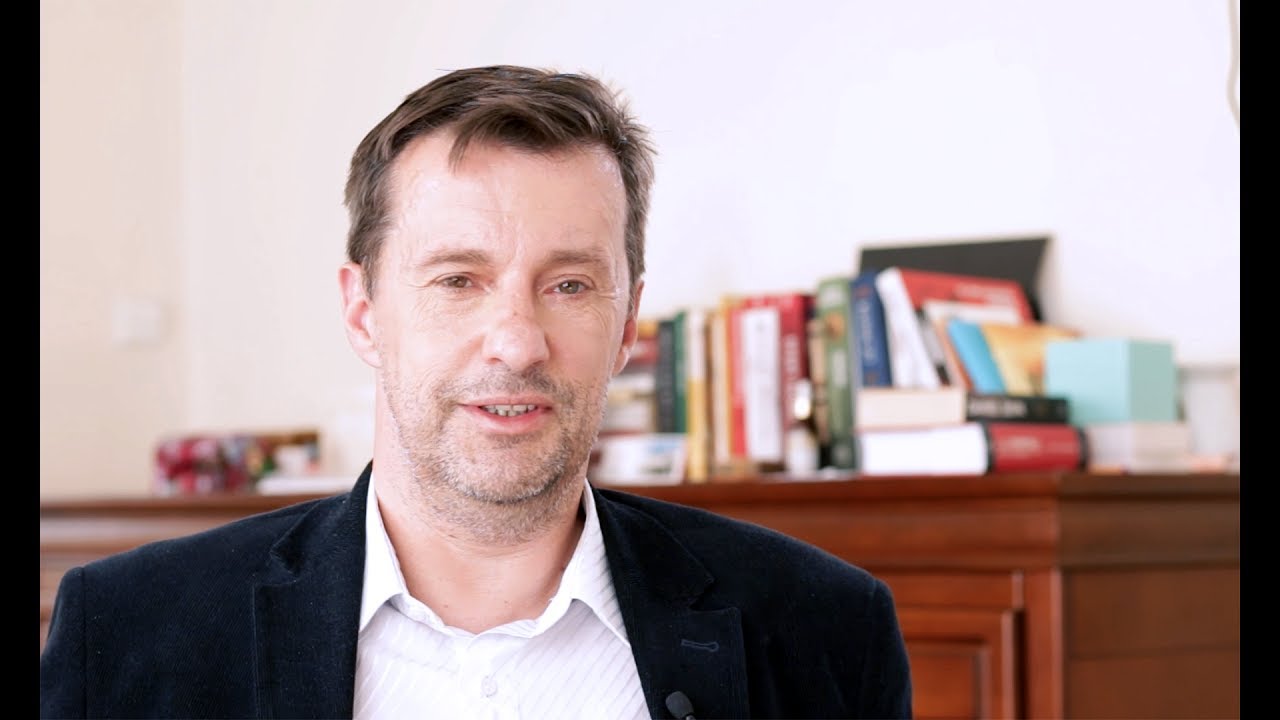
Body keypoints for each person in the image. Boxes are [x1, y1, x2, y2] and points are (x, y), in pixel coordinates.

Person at [39, 64, 913, 719]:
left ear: (627, 325)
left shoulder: (826, 629)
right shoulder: (125, 632)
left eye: (569, 285)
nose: (518, 342)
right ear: (363, 313)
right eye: (459, 280)